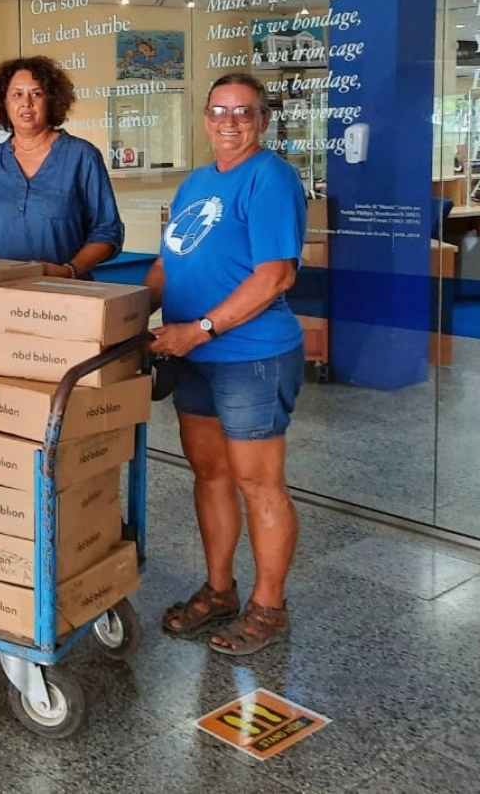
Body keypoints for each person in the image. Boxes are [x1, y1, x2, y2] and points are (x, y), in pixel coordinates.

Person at [145, 72, 306, 656]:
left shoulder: (271, 179)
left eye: (243, 112)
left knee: (258, 484)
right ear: (206, 118)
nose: (230, 121)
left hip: (251, 356)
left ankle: (269, 606)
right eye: (220, 111)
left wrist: (202, 328)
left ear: (262, 120)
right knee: (210, 474)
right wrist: (129, 313)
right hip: (195, 355)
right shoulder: (195, 183)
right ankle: (219, 591)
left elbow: (276, 275)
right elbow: (168, 265)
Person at [0, 55, 123, 278]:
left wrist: (70, 271)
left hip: (65, 295)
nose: (26, 103)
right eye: (17, 94)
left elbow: (107, 231)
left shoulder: (82, 157)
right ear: (3, 102)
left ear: (52, 100)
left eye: (36, 94)